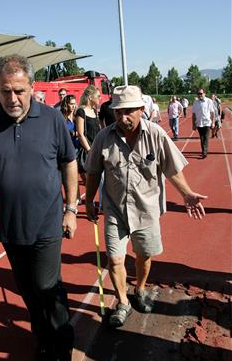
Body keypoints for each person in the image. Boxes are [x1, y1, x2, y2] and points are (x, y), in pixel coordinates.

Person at [0, 54, 78, 361]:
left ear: (32, 87)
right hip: (9, 225)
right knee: (28, 289)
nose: (12, 98)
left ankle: (61, 343)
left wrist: (71, 209)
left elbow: (68, 163)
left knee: (47, 285)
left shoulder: (52, 119)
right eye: (5, 91)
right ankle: (42, 338)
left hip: (47, 223)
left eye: (19, 90)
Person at [84, 85, 207, 327]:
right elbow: (93, 172)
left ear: (142, 109)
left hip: (146, 210)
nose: (123, 117)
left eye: (129, 111)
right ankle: (123, 302)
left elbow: (172, 169)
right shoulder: (103, 138)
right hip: (114, 211)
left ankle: (139, 289)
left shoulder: (156, 135)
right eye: (118, 112)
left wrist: (187, 194)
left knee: (144, 255)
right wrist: (88, 200)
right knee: (115, 260)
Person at [61, 94, 81, 204]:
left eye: (74, 104)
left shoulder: (76, 116)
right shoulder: (62, 117)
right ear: (66, 104)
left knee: (79, 175)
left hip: (78, 148)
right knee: (69, 176)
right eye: (71, 104)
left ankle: (78, 197)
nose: (73, 106)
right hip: (68, 150)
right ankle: (73, 198)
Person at [192, 88, 215, 158]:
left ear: (204, 93)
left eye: (201, 93)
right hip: (199, 123)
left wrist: (213, 122)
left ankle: (204, 152)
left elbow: (212, 112)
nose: (199, 95)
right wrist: (193, 124)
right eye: (198, 94)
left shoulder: (209, 101)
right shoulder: (195, 102)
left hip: (207, 122)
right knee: (202, 138)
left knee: (206, 137)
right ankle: (204, 151)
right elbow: (193, 114)